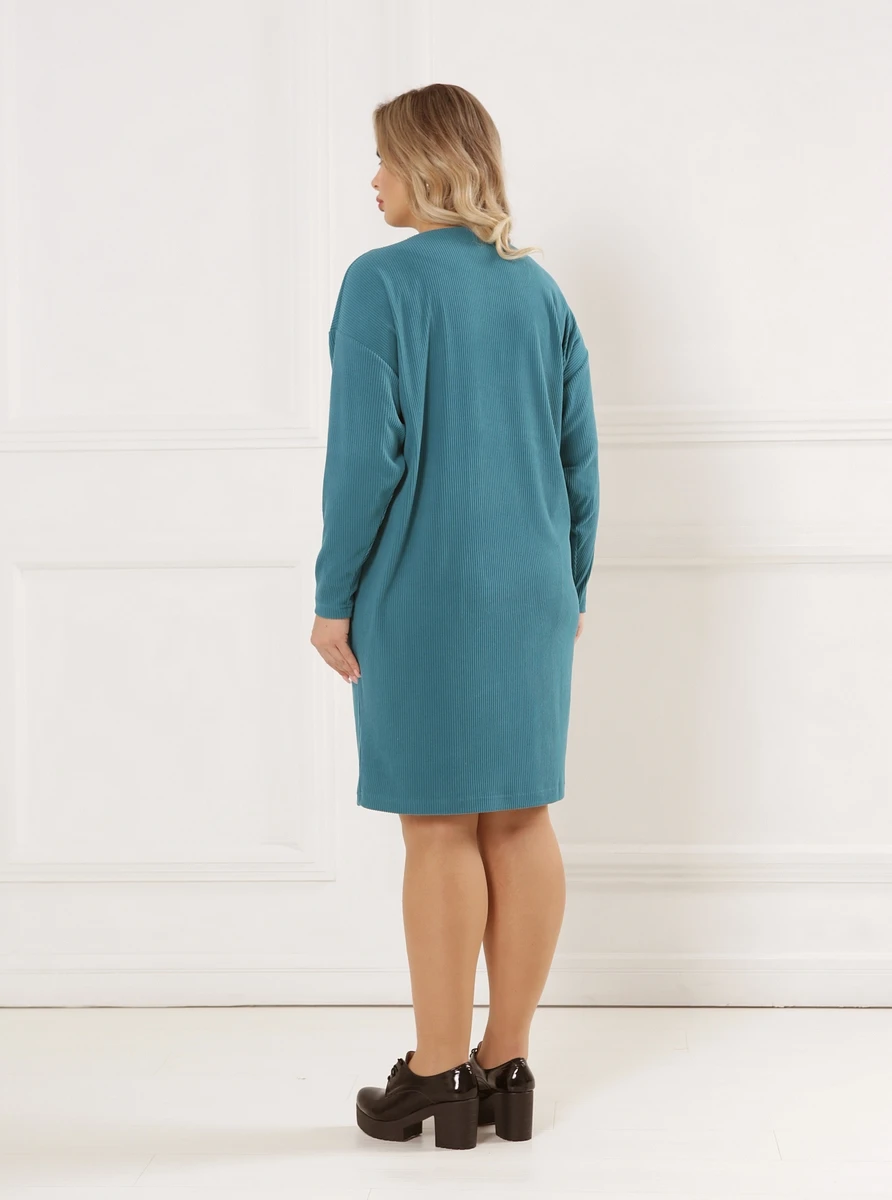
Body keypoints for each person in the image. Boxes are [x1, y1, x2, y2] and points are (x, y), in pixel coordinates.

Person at [310, 83, 600, 1149]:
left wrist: (333, 596)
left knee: (437, 824)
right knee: (521, 815)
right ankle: (505, 1064)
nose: (373, 178)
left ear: (427, 164)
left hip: (426, 592)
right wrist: (569, 585)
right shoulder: (539, 291)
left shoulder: (382, 282)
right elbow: (579, 461)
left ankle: (436, 1073)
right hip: (533, 591)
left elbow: (366, 461)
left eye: (384, 159)